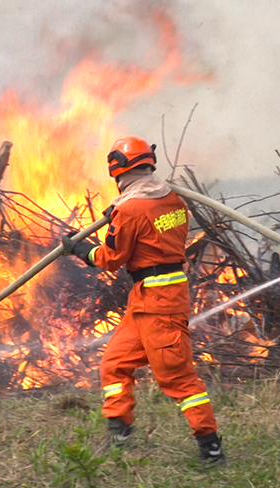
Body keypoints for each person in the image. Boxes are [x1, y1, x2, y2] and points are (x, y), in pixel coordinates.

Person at [62, 136, 226, 467]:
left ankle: (211, 449)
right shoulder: (172, 199)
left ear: (117, 171)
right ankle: (118, 434)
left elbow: (111, 259)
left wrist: (80, 249)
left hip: (160, 303)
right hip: (148, 298)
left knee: (178, 378)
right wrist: (118, 217)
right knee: (114, 364)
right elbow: (150, 229)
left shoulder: (131, 209)